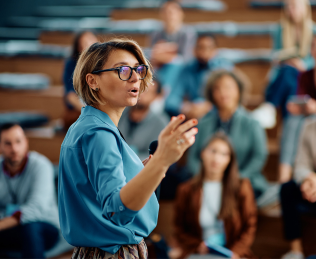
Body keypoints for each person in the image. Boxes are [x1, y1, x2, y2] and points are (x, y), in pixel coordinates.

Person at [58, 38, 199, 259]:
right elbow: (117, 210)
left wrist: (147, 169)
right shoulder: (99, 133)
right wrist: (162, 160)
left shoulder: (88, 125)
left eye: (138, 69)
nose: (135, 77)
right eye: (123, 70)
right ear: (92, 80)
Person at [172, 133, 257, 259]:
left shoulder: (241, 187)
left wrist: (236, 252)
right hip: (199, 253)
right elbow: (179, 228)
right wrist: (196, 246)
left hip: (232, 254)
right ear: (203, 153)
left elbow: (249, 226)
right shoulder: (186, 190)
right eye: (213, 151)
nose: (217, 158)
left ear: (230, 160)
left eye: (224, 154)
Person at [188, 70, 268, 197]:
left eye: (228, 87)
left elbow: (259, 157)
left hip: (242, 181)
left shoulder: (252, 123)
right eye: (217, 88)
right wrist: (206, 177)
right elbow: (193, 158)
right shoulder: (203, 123)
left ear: (239, 90)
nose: (223, 92)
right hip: (206, 182)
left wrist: (236, 178)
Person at [0, 123, 59, 258]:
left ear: (26, 142)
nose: (14, 148)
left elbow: (36, 208)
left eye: (18, 141)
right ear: (0, 146)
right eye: (8, 143)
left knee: (30, 225)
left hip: (44, 226)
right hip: (10, 227)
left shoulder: (41, 165)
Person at [165, 34, 234, 119]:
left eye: (209, 48)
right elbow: (171, 100)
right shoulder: (187, 70)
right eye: (200, 47)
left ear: (215, 50)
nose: (204, 51)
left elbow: (230, 97)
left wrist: (208, 106)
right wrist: (185, 107)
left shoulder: (223, 69)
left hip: (217, 115)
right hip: (192, 115)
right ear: (194, 50)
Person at [266, 0, 314, 118]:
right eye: (288, 7)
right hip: (286, 72)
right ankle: (289, 118)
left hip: (307, 74)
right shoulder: (279, 30)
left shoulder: (313, 31)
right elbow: (275, 56)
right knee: (290, 77)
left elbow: (314, 57)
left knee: (290, 79)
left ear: (304, 8)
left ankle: (270, 106)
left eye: (294, 6)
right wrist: (289, 61)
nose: (291, 10)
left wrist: (303, 64)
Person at [279, 36, 316, 183]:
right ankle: (284, 176)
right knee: (293, 121)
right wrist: (298, 106)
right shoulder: (306, 75)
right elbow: (301, 98)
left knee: (308, 123)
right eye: (313, 46)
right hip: (307, 116)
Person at [280, 117, 316, 259]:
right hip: (313, 187)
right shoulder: (310, 126)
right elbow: (301, 164)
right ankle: (296, 252)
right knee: (287, 189)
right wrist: (308, 179)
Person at [150, 0, 197, 92]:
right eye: (165, 11)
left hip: (181, 71)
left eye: (172, 12)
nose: (169, 15)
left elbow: (186, 59)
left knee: (176, 64)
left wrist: (165, 55)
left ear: (181, 13)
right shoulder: (156, 34)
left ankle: (164, 93)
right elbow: (153, 57)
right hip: (160, 69)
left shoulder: (188, 33)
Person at [118, 78, 169, 160]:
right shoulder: (119, 112)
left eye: (147, 91)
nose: (141, 94)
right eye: (140, 89)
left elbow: (156, 156)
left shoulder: (160, 122)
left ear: (156, 96)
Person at [63, 31, 98, 130]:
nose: (91, 44)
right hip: (80, 109)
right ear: (79, 48)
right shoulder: (71, 65)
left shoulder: (103, 62)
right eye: (86, 42)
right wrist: (89, 111)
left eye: (92, 39)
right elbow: (70, 96)